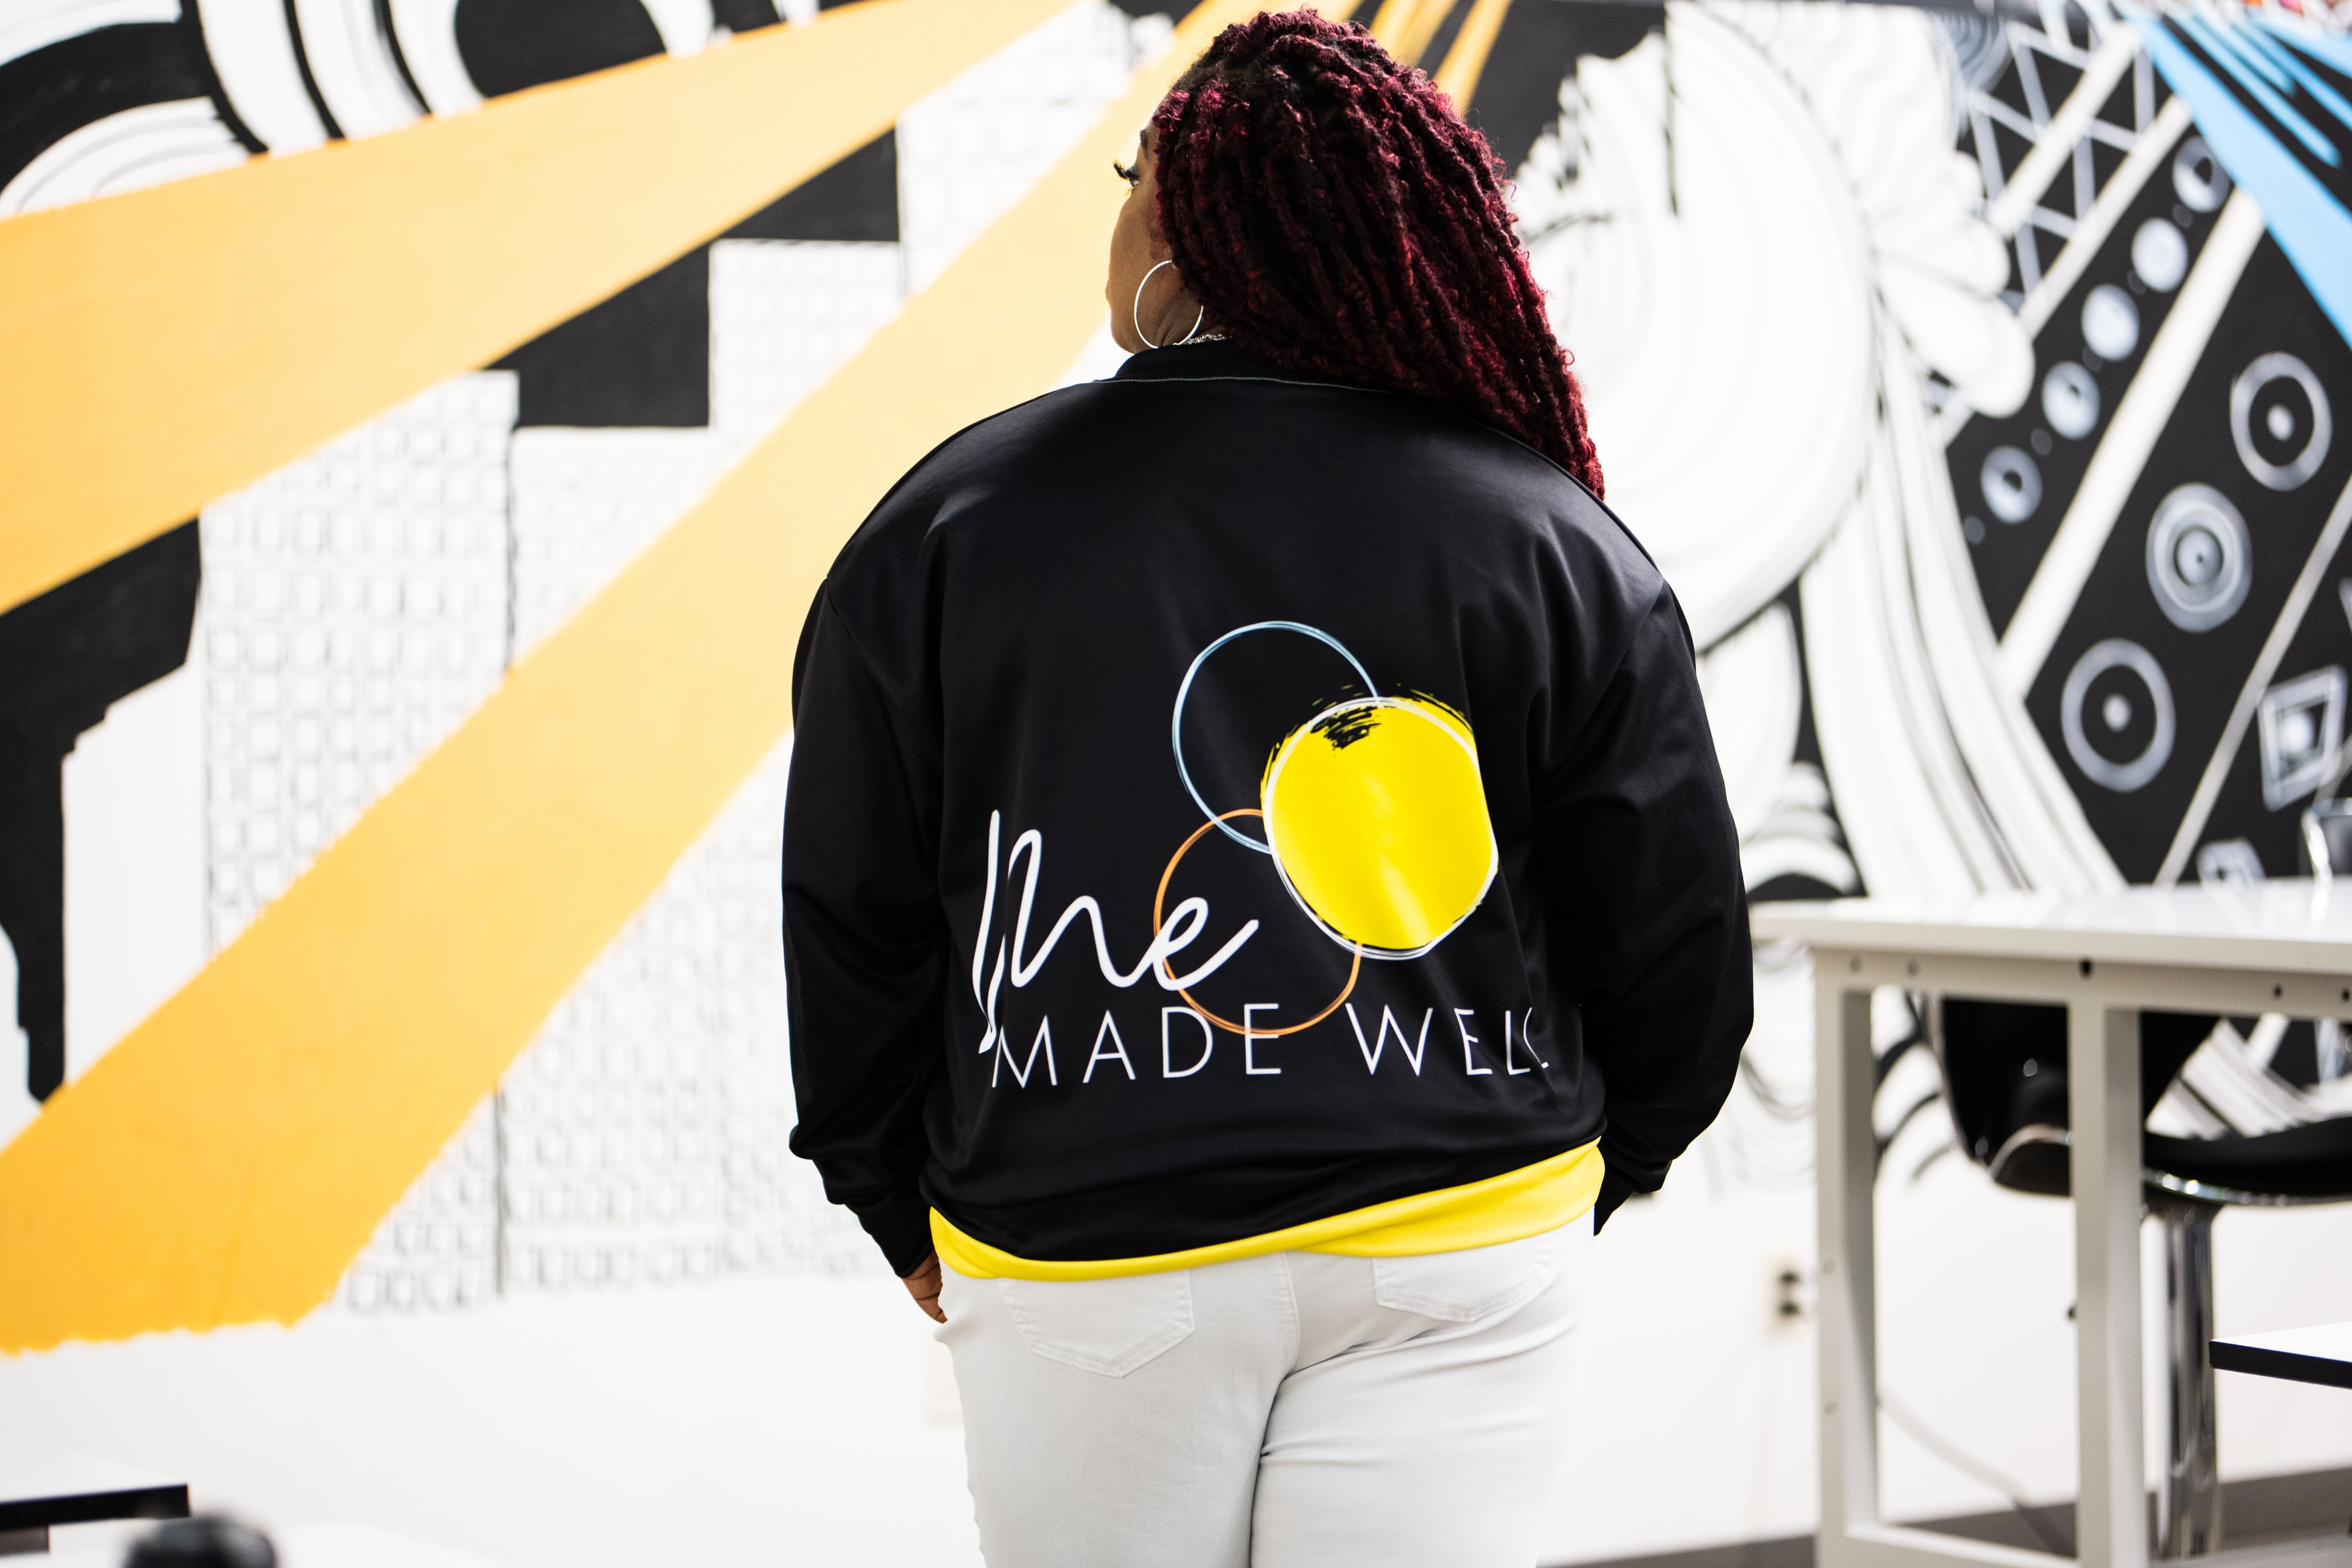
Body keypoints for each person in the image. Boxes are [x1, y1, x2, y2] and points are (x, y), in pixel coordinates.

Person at [782, 12, 1751, 1567]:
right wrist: (1588, 1173)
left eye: (1128, 184)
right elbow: (1676, 939)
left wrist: (888, 1196)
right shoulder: (1551, 537)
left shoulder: (951, 527)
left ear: (1179, 233)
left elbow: (855, 913)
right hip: (1465, 1230)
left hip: (1088, 1241)